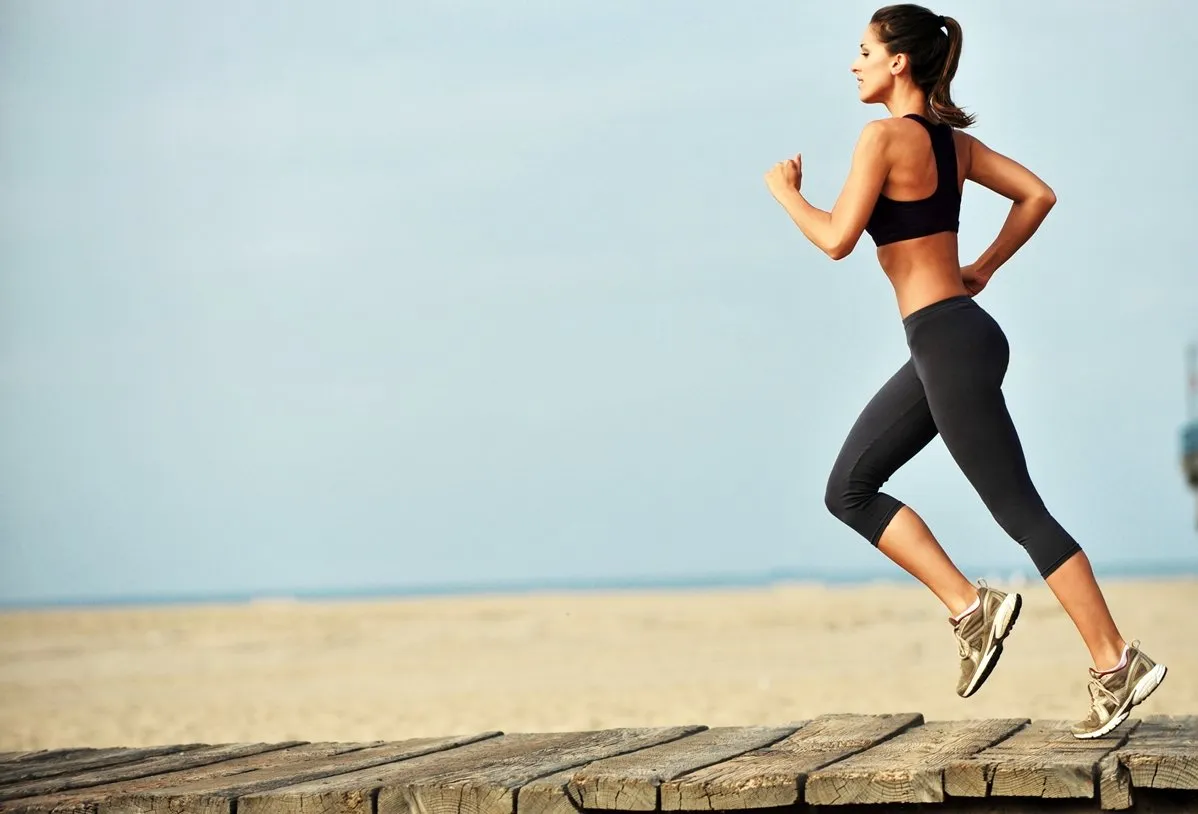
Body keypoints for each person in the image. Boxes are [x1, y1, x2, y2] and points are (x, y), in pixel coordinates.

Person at [763, 3, 1167, 739]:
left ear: (898, 63)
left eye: (862, 51)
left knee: (1021, 512)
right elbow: (1037, 194)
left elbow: (835, 240)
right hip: (950, 337)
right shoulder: (956, 147)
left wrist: (787, 194)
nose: (852, 64)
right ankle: (970, 608)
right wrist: (981, 266)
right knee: (848, 489)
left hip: (947, 343)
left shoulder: (881, 137)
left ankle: (1115, 662)